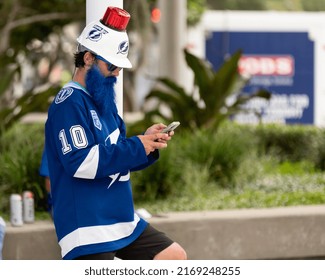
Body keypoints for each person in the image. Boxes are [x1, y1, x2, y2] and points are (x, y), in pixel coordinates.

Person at [44, 6, 187, 260]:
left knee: (173, 257)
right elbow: (81, 162)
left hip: (121, 219)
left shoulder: (104, 103)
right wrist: (136, 145)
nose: (118, 73)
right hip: (86, 228)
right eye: (112, 65)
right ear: (88, 58)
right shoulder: (68, 102)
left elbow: (117, 158)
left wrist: (147, 143)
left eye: (120, 66)